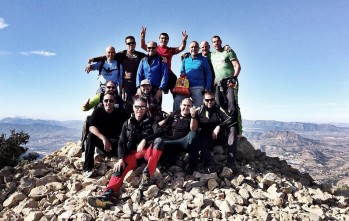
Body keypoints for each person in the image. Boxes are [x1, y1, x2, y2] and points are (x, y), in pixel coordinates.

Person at [87, 97, 164, 209]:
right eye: (137, 107)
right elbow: (122, 142)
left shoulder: (151, 121)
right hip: (134, 154)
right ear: (133, 108)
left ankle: (148, 174)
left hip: (148, 152)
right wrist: (120, 158)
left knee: (159, 141)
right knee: (119, 169)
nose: (139, 110)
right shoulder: (127, 123)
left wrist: (145, 140)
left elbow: (160, 133)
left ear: (146, 108)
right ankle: (107, 196)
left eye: (142, 107)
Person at [88, 36, 146, 103]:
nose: (131, 44)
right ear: (126, 44)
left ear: (135, 43)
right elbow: (107, 56)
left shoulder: (140, 55)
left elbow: (150, 56)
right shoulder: (122, 54)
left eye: (133, 43)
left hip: (137, 84)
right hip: (126, 85)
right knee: (125, 105)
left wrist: (161, 58)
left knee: (138, 103)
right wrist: (93, 60)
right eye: (129, 43)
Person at [83, 93, 128, 178]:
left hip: (116, 145)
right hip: (103, 143)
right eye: (106, 100)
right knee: (91, 137)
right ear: (103, 102)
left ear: (114, 102)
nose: (108, 103)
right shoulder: (98, 111)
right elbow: (91, 127)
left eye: (111, 101)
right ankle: (87, 168)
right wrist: (103, 138)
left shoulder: (120, 113)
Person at [208, 35, 243, 136]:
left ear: (221, 41)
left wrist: (234, 77)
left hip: (230, 81)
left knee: (232, 104)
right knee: (220, 106)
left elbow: (237, 66)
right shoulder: (212, 55)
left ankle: (236, 131)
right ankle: (224, 130)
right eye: (214, 42)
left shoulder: (228, 51)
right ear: (212, 44)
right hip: (218, 83)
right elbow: (202, 55)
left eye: (218, 41)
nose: (216, 43)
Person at [196, 92, 238, 173]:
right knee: (202, 140)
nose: (210, 102)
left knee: (233, 128)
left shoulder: (218, 109)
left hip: (220, 137)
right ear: (203, 100)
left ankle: (231, 161)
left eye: (212, 100)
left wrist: (219, 126)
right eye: (207, 100)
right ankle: (211, 164)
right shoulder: (199, 110)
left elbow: (231, 119)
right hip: (206, 139)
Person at [140, 27, 188, 94]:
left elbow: (180, 48)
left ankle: (177, 103)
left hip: (168, 74)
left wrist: (184, 40)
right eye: (162, 38)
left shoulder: (170, 50)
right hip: (158, 75)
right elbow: (143, 46)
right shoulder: (154, 48)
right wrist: (142, 37)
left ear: (168, 40)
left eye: (166, 38)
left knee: (176, 93)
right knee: (156, 94)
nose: (164, 40)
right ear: (159, 39)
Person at [80, 81, 124, 151]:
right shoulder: (99, 97)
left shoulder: (118, 99)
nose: (111, 89)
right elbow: (86, 107)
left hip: (112, 123)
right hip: (99, 122)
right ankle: (83, 142)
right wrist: (85, 106)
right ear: (105, 88)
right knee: (88, 120)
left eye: (113, 87)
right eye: (109, 87)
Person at [159, 98, 199, 173]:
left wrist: (193, 116)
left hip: (183, 141)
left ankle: (193, 165)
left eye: (188, 106)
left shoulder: (192, 116)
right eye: (184, 105)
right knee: (158, 142)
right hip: (170, 140)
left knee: (194, 134)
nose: (186, 108)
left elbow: (193, 129)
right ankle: (176, 161)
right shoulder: (175, 113)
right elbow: (164, 122)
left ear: (191, 107)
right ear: (180, 105)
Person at [173, 41, 212, 111]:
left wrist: (207, 88)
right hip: (185, 87)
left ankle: (198, 121)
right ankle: (175, 119)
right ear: (189, 49)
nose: (194, 48)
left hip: (198, 87)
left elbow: (208, 73)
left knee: (199, 108)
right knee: (177, 100)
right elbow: (182, 71)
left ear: (199, 48)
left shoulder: (203, 59)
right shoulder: (185, 59)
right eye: (192, 47)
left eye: (196, 47)